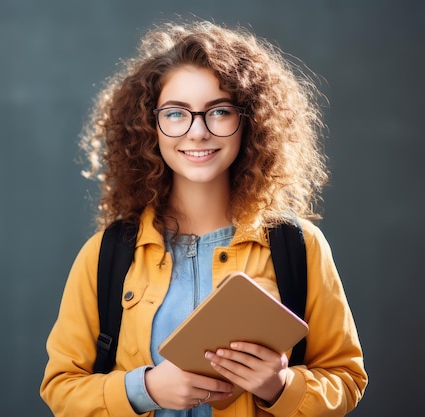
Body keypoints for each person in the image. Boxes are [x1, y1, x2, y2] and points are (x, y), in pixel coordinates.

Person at [40, 19, 367, 417]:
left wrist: (278, 386)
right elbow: (61, 389)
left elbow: (346, 380)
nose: (197, 132)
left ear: (249, 122)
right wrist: (144, 389)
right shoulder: (105, 255)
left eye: (220, 111)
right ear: (150, 125)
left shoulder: (299, 246)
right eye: (176, 114)